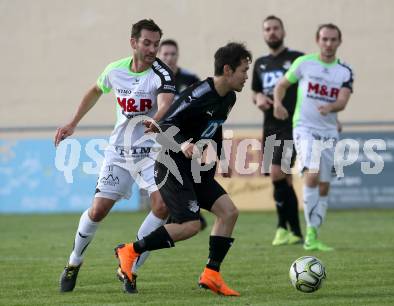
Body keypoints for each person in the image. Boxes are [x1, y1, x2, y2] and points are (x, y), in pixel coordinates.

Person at [114, 42, 252, 296]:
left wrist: (218, 157)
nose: (246, 76)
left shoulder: (229, 97)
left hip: (193, 168)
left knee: (229, 212)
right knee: (189, 225)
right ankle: (130, 250)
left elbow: (215, 126)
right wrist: (183, 143)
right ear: (228, 69)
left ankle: (212, 274)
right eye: (244, 70)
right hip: (170, 165)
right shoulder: (198, 94)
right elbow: (163, 126)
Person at [55, 19, 176, 293]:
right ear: (133, 42)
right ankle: (74, 262)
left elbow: (166, 101)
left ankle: (129, 265)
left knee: (162, 207)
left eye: (156, 44)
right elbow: (96, 90)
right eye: (147, 43)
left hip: (150, 154)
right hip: (119, 153)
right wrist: (72, 123)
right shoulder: (115, 70)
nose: (152, 49)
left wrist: (156, 119)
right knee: (98, 211)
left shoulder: (161, 74)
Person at [273, 23, 354, 251]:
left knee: (324, 186)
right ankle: (309, 234)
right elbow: (281, 85)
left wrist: (331, 108)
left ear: (339, 41)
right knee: (313, 173)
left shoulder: (345, 71)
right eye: (324, 39)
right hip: (304, 127)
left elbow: (343, 100)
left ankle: (315, 233)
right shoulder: (304, 63)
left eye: (333, 40)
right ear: (317, 40)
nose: (328, 44)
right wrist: (278, 104)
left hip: (329, 131)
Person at [251, 15, 303, 246]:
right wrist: (258, 98)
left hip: (291, 125)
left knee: (276, 173)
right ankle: (293, 231)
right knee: (284, 181)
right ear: (263, 34)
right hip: (269, 126)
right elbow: (255, 92)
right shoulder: (260, 63)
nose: (271, 32)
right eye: (267, 29)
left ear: (283, 31)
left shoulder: (296, 59)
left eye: (275, 28)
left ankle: (283, 227)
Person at [158, 39, 208, 230]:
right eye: (165, 54)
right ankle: (181, 214)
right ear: (159, 56)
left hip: (185, 136)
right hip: (162, 135)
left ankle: (189, 213)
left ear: (178, 55)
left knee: (187, 175)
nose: (169, 58)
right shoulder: (155, 79)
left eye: (173, 54)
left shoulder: (189, 79)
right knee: (167, 177)